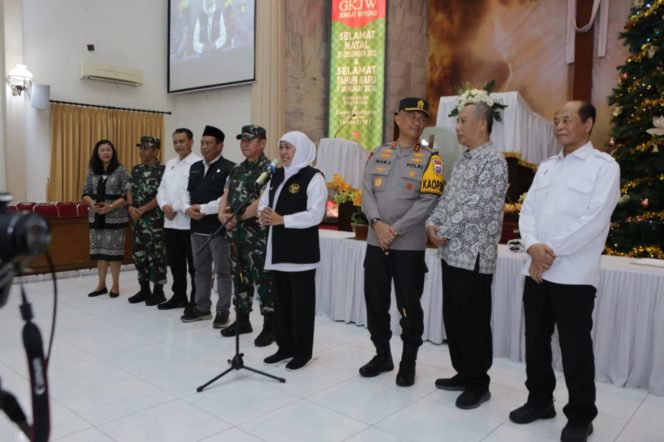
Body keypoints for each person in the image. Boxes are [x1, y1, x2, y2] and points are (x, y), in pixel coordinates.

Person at [509, 101, 619, 442]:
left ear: (588, 125)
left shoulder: (604, 167)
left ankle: (581, 415)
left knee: (575, 347)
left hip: (573, 275)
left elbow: (595, 220)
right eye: (556, 120)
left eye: (567, 120)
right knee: (536, 342)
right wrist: (532, 247)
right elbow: (527, 213)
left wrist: (547, 252)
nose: (559, 125)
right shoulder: (546, 167)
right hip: (538, 272)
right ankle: (540, 400)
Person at [426, 96, 508, 409]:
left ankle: (478, 382)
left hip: (474, 257)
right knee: (455, 319)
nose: (457, 127)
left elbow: (478, 206)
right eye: (457, 121)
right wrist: (433, 223)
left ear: (482, 124)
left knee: (473, 322)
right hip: (450, 254)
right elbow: (448, 198)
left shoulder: (494, 161)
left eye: (462, 121)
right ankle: (463, 372)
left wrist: (443, 231)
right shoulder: (464, 160)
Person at [358, 97, 444, 387]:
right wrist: (377, 225)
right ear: (397, 118)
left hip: (407, 247)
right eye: (410, 116)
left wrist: (392, 229)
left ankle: (408, 362)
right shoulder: (379, 152)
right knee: (375, 302)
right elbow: (366, 192)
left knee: (409, 305)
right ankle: (383, 354)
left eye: (421, 117)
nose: (416, 122)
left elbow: (428, 201)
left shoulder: (432, 159)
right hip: (375, 242)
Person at [258, 131, 327, 370]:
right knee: (282, 305)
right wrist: (263, 215)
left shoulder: (313, 177)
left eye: (289, 148)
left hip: (301, 255)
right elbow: (264, 203)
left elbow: (315, 214)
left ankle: (302, 352)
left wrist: (282, 220)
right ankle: (284, 347)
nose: (284, 153)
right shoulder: (276, 175)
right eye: (282, 148)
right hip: (277, 252)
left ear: (301, 149)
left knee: (301, 307)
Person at [218, 125, 275, 347]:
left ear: (262, 143)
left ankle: (271, 325)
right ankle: (242, 320)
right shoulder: (236, 169)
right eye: (242, 139)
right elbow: (225, 194)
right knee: (239, 276)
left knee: (263, 279)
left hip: (258, 235)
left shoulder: (269, 170)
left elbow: (263, 200)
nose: (244, 143)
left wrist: (238, 218)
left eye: (249, 140)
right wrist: (223, 215)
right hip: (236, 234)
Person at [180, 125, 235, 328]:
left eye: (209, 143)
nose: (204, 147)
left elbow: (226, 199)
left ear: (220, 146)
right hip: (196, 228)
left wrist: (203, 208)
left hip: (217, 229)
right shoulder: (195, 167)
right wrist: (186, 208)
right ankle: (202, 308)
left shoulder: (231, 168)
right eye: (202, 143)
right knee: (200, 270)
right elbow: (186, 193)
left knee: (222, 271)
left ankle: (223, 311)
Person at [156, 128, 201, 311]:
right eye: (175, 142)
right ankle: (179, 295)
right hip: (170, 222)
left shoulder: (198, 163)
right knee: (175, 263)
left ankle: (195, 299)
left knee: (194, 266)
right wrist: (164, 206)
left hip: (188, 223)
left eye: (182, 141)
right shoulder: (170, 163)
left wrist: (174, 207)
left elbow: (194, 193)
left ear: (191, 142)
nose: (178, 145)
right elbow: (162, 189)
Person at [81, 139, 131, 299]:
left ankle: (115, 285)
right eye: (102, 150)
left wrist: (111, 206)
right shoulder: (92, 171)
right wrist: (92, 203)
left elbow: (127, 195)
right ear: (97, 153)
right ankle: (101, 284)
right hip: (96, 216)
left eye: (108, 150)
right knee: (100, 252)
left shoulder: (121, 170)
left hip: (115, 217)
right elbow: (85, 193)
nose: (106, 153)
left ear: (113, 152)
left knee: (114, 253)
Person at [127, 136, 167, 306]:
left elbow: (162, 196)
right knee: (138, 255)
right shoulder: (136, 170)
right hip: (137, 222)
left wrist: (142, 209)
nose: (142, 151)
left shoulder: (163, 170)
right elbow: (129, 190)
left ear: (156, 151)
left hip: (154, 223)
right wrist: (130, 207)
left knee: (156, 257)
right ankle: (144, 289)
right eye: (141, 148)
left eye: (146, 148)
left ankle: (159, 292)